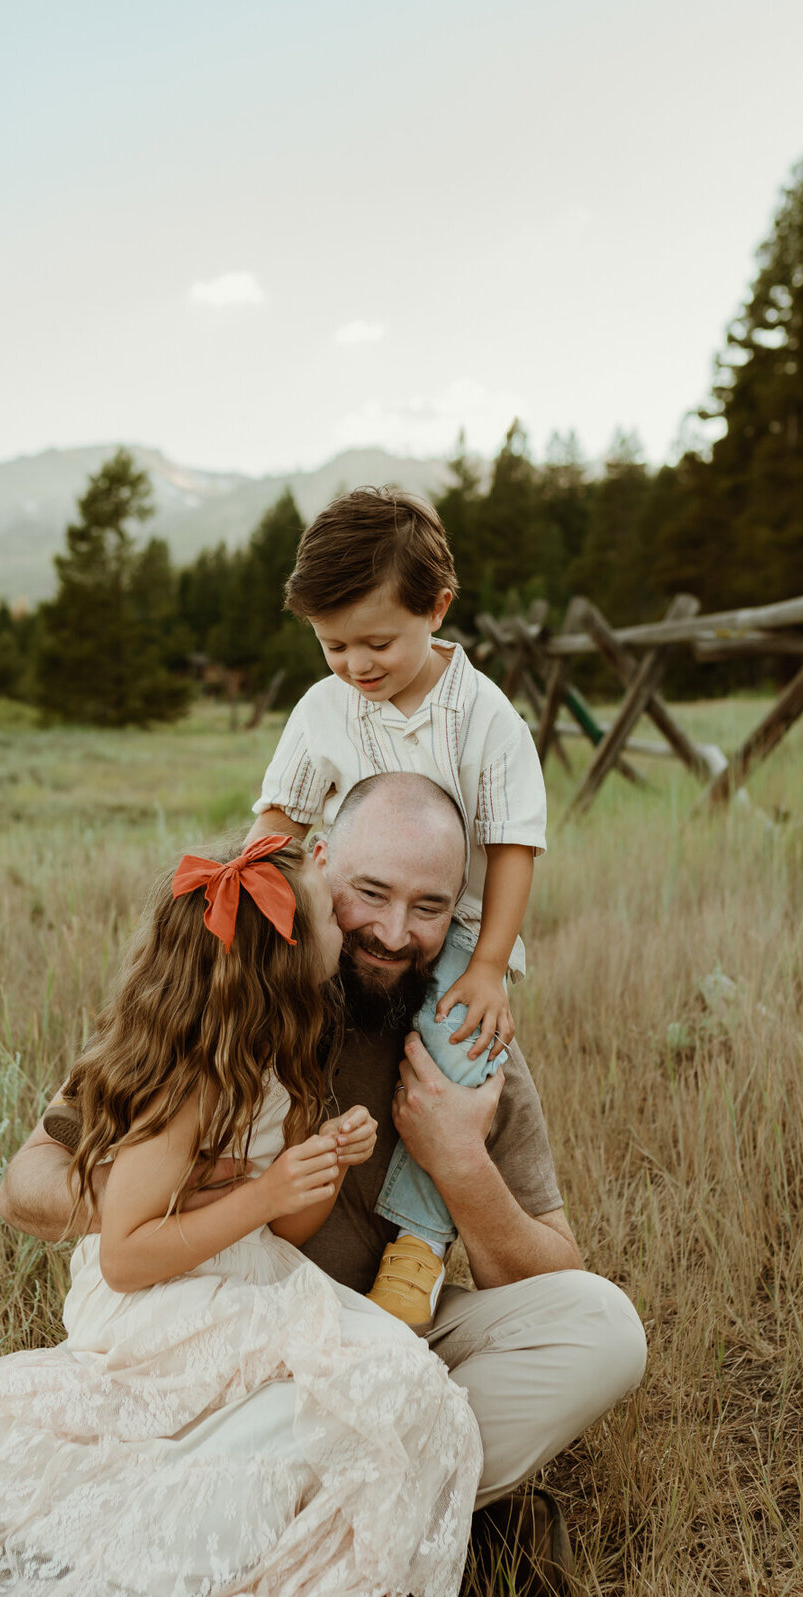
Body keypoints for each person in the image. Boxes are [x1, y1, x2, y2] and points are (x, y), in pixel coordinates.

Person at [1, 775, 648, 1597]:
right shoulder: (234, 987)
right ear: (320, 867)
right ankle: (274, 1578)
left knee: (603, 1330)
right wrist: (199, 1199)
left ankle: (243, 1561)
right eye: (372, 896)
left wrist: (460, 1168)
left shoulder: (468, 1039)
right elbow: (31, 1184)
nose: (394, 931)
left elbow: (553, 1263)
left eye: (430, 907)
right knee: (319, 1407)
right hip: (234, 1353)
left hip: (386, 1337)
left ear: (461, 910)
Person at [0, 834, 483, 1597]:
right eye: (333, 910)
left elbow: (287, 1231)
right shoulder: (193, 1080)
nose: (347, 918)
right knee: (374, 1384)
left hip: (245, 1270)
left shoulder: (279, 1057)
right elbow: (125, 1255)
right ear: (284, 964)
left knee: (390, 1389)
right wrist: (258, 1196)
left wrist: (313, 1166)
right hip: (161, 1297)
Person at [249, 486, 548, 1326]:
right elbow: (280, 818)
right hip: (346, 909)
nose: (355, 665)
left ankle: (418, 1245)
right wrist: (250, 895)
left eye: (376, 641)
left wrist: (488, 966)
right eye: (332, 645)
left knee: (456, 1054)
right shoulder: (324, 708)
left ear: (438, 609)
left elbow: (516, 845)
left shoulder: (486, 720)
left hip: (449, 929)